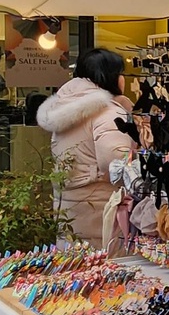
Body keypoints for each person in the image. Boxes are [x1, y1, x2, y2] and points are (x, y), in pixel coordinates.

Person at [37, 48, 133, 249]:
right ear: (108, 76)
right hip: (99, 209)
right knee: (105, 273)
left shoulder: (67, 110)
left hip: (69, 205)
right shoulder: (107, 112)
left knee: (75, 268)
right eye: (120, 73)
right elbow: (116, 163)